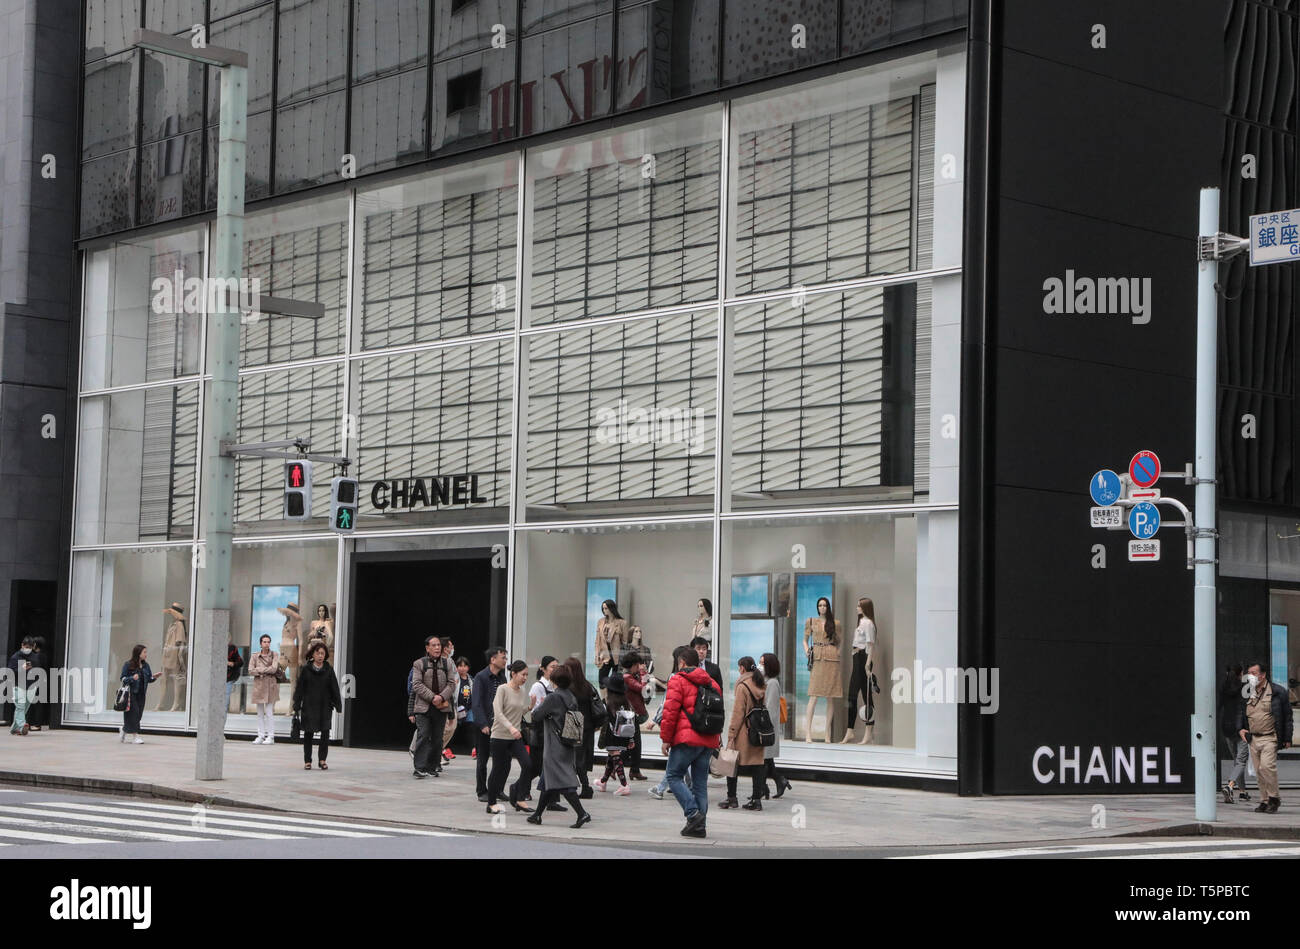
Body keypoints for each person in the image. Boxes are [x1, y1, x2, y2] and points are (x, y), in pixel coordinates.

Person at [659, 644, 722, 838]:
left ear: (682, 662)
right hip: (708, 740)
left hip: (686, 739)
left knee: (673, 776)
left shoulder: (678, 680)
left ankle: (693, 814)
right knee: (700, 784)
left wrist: (666, 739)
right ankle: (699, 827)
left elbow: (670, 713)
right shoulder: (712, 683)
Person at [524, 664, 592, 829]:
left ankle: (582, 813)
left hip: (554, 745)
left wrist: (538, 707)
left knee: (563, 782)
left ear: (554, 680)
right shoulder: (570, 696)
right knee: (548, 780)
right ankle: (537, 815)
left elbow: (536, 715)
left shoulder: (553, 697)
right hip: (567, 743)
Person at [1237, 660, 1294, 813]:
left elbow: (1287, 716)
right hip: (1253, 738)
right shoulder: (1247, 692)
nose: (1250, 676)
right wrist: (1241, 729)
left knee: (1267, 767)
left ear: (1262, 675)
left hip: (1270, 736)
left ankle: (1274, 798)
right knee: (1258, 771)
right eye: (1249, 674)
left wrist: (1288, 738)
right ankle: (1264, 800)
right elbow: (1242, 713)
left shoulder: (1277, 691)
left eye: (1254, 673)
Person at [486, 660, 533, 814]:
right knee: (499, 769)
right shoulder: (503, 689)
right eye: (523, 674)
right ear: (513, 674)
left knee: (527, 765)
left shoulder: (521, 691)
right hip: (500, 736)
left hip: (514, 737)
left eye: (527, 675)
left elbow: (517, 713)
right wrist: (511, 728)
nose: (525, 678)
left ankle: (520, 799)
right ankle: (491, 803)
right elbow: (498, 713)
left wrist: (529, 708)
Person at [720, 656, 767, 810]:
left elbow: (738, 712)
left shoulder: (743, 686)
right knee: (757, 766)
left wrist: (731, 733)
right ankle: (756, 800)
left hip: (743, 732)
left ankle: (732, 798)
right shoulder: (761, 683)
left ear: (742, 668)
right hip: (758, 731)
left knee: (731, 763)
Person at [407, 635, 456, 779]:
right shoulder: (419, 664)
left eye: (439, 645)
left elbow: (452, 684)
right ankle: (420, 767)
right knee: (423, 735)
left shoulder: (447, 664)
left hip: (441, 706)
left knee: (437, 738)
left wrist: (441, 697)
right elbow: (416, 685)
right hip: (423, 707)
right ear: (427, 648)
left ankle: (433, 766)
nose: (437, 648)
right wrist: (432, 697)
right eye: (433, 645)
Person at [293, 641, 342, 770]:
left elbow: (335, 688)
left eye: (322, 653)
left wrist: (337, 704)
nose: (320, 656)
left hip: (324, 706)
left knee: (325, 734)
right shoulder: (306, 670)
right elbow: (300, 688)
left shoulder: (329, 670)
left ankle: (322, 760)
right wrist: (297, 704)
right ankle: (307, 761)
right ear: (313, 654)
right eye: (318, 653)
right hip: (309, 706)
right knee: (308, 734)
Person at [518, 656, 559, 806]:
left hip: (551, 731)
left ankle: (552, 800)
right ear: (543, 668)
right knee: (535, 766)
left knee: (549, 767)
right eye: (552, 667)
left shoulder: (554, 686)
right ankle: (518, 789)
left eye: (557, 666)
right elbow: (536, 711)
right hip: (540, 731)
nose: (555, 669)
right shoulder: (538, 686)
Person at [472, 646, 508, 801]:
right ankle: (481, 791)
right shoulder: (481, 677)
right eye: (503, 657)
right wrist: (482, 724)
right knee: (482, 760)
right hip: (485, 726)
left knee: (502, 760)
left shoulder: (503, 678)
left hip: (500, 726)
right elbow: (477, 703)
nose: (505, 660)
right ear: (493, 659)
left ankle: (498, 789)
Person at [564, 657, 599, 798]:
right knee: (581, 758)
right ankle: (578, 786)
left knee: (575, 759)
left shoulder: (569, 688)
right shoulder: (587, 685)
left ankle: (585, 787)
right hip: (588, 726)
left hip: (574, 725)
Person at [760, 653, 793, 798]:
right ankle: (779, 781)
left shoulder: (772, 683)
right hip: (765, 728)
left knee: (764, 762)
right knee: (767, 761)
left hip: (767, 728)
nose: (760, 666)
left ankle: (763, 788)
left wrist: (763, 725)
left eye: (763, 663)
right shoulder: (765, 681)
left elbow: (771, 709)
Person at [595, 670, 632, 795]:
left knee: (615, 757)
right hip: (624, 735)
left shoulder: (608, 703)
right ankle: (603, 781)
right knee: (612, 757)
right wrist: (631, 739)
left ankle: (624, 785)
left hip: (612, 735)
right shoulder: (626, 703)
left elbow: (603, 719)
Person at [1219, 664, 1250, 803]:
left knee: (1237, 761)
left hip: (1226, 727)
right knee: (1241, 761)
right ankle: (1230, 785)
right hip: (1241, 727)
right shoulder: (1244, 688)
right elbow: (1248, 707)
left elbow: (1220, 707)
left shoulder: (1224, 688)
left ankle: (1242, 791)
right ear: (1240, 673)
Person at [119, 644, 160, 743]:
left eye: (146, 652)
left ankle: (124, 730)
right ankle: (135, 736)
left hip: (141, 694)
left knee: (138, 715)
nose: (146, 654)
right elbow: (123, 678)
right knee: (134, 713)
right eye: (144, 652)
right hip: (131, 693)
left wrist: (154, 677)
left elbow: (149, 679)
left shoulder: (146, 666)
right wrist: (132, 678)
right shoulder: (128, 664)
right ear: (138, 653)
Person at [621, 651, 649, 780]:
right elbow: (642, 688)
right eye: (638, 665)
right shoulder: (627, 677)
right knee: (632, 743)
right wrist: (643, 674)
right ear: (632, 665)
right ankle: (618, 767)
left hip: (633, 715)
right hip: (631, 716)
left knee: (633, 743)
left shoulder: (632, 676)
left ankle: (634, 769)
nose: (639, 668)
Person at [248, 634, 280, 744]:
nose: (267, 644)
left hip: (271, 686)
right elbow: (250, 670)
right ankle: (261, 735)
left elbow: (274, 669)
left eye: (268, 642)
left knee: (269, 712)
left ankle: (271, 736)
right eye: (264, 642)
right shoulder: (255, 656)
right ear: (260, 644)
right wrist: (266, 670)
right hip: (259, 686)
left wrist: (260, 670)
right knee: (260, 713)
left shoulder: (274, 654)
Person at [444, 656, 473, 762]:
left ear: (468, 667)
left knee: (471, 726)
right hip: (456, 708)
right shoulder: (455, 679)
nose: (462, 668)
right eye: (460, 666)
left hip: (468, 708)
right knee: (453, 728)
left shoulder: (471, 680)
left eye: (465, 666)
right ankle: (447, 749)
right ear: (456, 667)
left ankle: (474, 748)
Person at [7, 636, 36, 736]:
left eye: (30, 647)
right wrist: (22, 668)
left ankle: (15, 729)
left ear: (33, 647)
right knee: (20, 707)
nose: (28, 649)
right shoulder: (15, 657)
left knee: (24, 708)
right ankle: (22, 725)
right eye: (26, 646)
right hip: (18, 686)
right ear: (22, 645)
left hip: (31, 686)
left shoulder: (34, 657)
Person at [26, 635, 49, 730]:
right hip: (41, 681)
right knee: (38, 703)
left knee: (33, 704)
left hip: (34, 682)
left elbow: (27, 667)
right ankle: (37, 723)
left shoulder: (35, 656)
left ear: (35, 645)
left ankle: (35, 724)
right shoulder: (44, 655)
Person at [225, 641, 245, 717]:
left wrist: (231, 663)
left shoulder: (232, 648)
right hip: (213, 680)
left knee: (224, 704)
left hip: (228, 678)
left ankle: (221, 725)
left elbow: (240, 662)